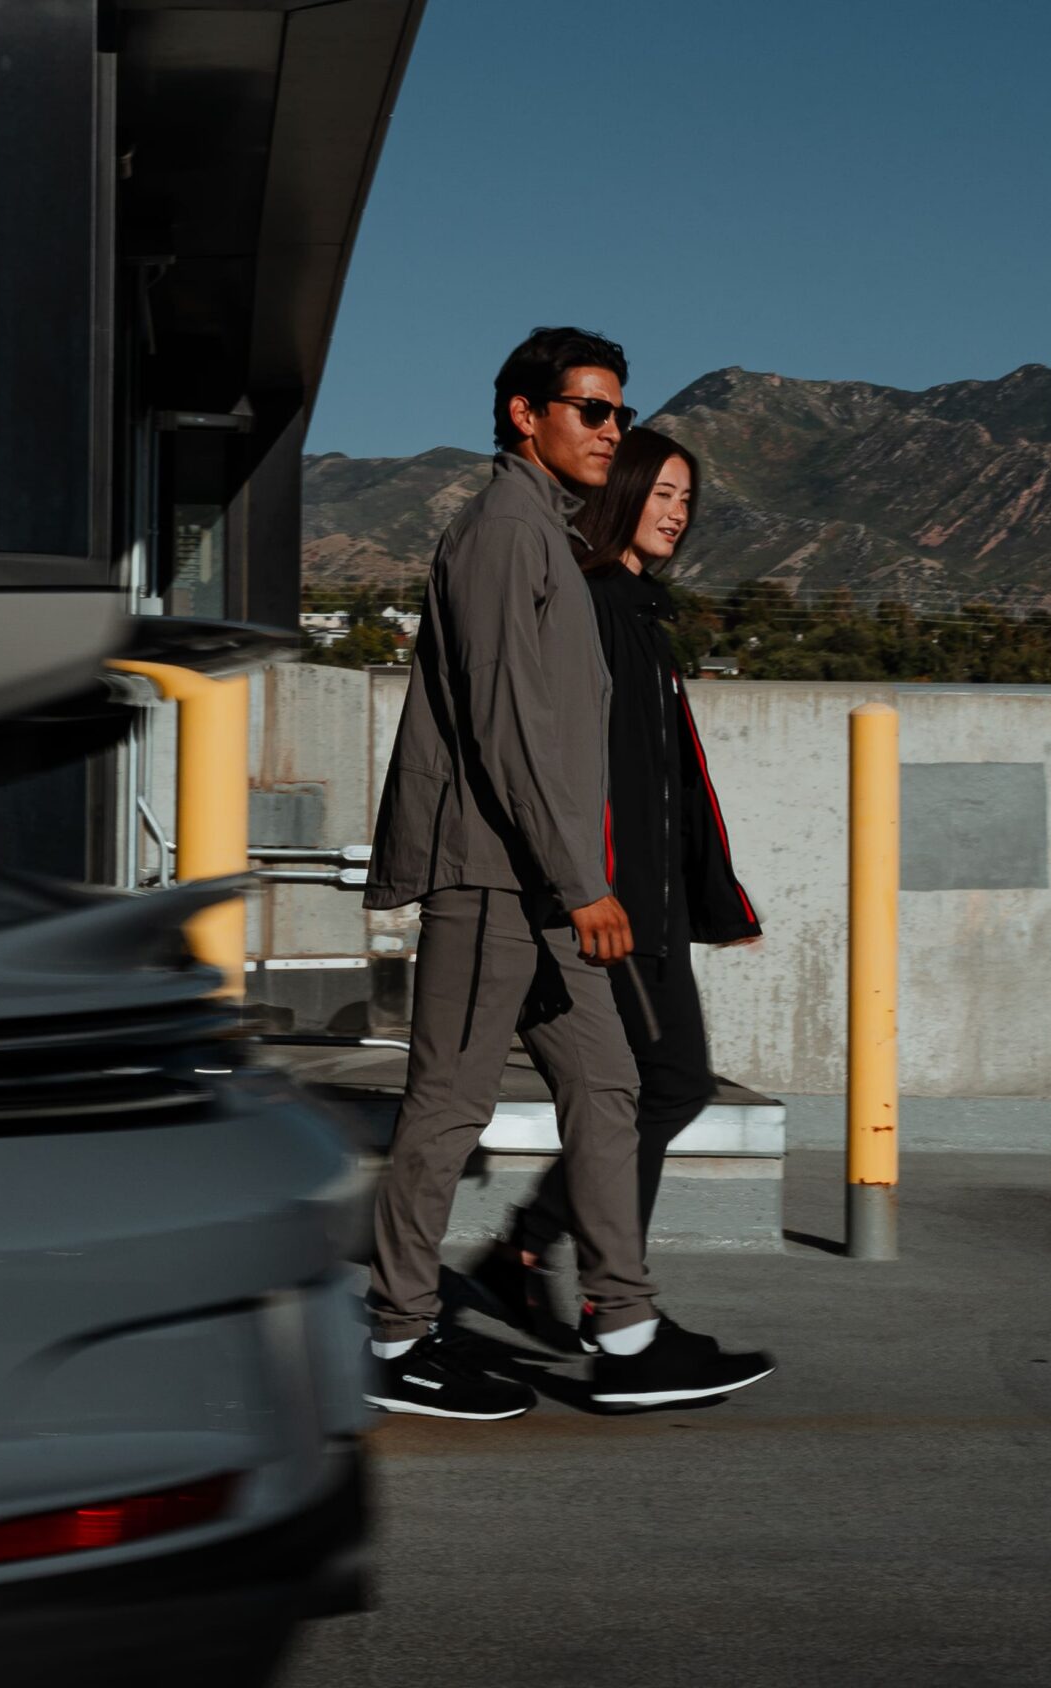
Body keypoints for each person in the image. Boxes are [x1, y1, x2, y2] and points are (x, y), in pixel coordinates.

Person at [361, 329, 773, 1418]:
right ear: (525, 415)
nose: (611, 430)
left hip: (545, 882)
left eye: (619, 413)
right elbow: (509, 729)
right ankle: (395, 1335)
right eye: (592, 410)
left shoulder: (546, 533)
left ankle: (625, 1330)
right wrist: (585, 881)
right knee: (448, 1106)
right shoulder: (505, 533)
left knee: (610, 1084)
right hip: (492, 875)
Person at [464, 428, 768, 1353]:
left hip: (650, 902)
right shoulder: (593, 605)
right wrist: (590, 888)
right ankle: (600, 1293)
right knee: (663, 1085)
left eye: (688, 499)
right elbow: (570, 766)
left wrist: (716, 900)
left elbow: (673, 778)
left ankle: (539, 1255)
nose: (677, 513)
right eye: (662, 493)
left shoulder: (638, 612)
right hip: (610, 903)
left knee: (658, 1088)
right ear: (623, 492)